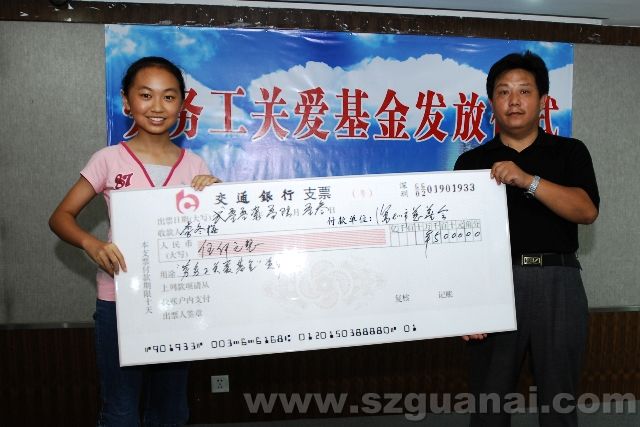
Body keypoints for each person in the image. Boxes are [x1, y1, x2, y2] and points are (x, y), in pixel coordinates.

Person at [49, 56, 220, 426]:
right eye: (145, 95)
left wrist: (216, 197)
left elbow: (211, 237)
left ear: (182, 105)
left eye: (169, 97)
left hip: (177, 303)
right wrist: (92, 244)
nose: (157, 106)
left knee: (172, 410)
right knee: (121, 410)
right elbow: (60, 217)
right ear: (127, 102)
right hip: (119, 301)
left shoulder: (196, 166)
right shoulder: (108, 159)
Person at [454, 51, 599, 426]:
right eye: (503, 92)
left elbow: (586, 210)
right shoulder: (470, 162)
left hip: (558, 283)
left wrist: (527, 180)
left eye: (524, 91)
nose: (514, 100)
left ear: (543, 101)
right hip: (495, 284)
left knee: (559, 402)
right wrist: (466, 305)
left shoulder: (570, 152)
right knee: (489, 401)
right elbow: (459, 245)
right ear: (492, 104)